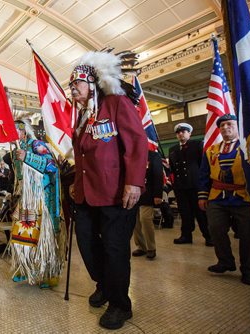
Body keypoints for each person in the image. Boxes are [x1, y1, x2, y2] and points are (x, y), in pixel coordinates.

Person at [69, 51, 148, 330]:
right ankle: (103, 284)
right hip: (86, 194)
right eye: (70, 85)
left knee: (115, 250)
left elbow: (137, 142)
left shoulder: (115, 103)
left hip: (117, 192)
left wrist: (134, 182)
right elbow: (83, 158)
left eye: (75, 83)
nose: (72, 89)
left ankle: (119, 304)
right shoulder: (80, 117)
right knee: (87, 244)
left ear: (91, 83)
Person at [198, 114, 250, 285]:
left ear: (237, 126)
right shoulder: (211, 150)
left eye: (229, 124)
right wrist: (202, 195)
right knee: (215, 229)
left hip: (244, 197)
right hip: (217, 197)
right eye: (222, 125)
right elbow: (203, 175)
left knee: (248, 235)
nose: (225, 127)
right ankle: (225, 261)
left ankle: (248, 270)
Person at [9, 120, 65, 288]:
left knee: (44, 236)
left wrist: (27, 157)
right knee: (24, 232)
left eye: (15, 131)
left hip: (43, 198)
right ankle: (26, 268)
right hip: (27, 199)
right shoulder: (17, 149)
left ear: (23, 131)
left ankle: (48, 274)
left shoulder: (36, 145)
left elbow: (52, 166)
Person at [169, 123, 212, 246]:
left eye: (183, 131)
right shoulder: (173, 149)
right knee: (185, 213)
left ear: (190, 133)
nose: (181, 134)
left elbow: (203, 166)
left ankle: (208, 236)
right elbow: (172, 169)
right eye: (178, 132)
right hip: (180, 187)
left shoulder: (197, 145)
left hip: (195, 185)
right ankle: (186, 235)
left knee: (201, 213)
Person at [132, 150, 163, 260]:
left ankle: (151, 248)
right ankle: (141, 246)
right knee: (135, 222)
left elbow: (158, 175)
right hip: (133, 193)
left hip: (147, 193)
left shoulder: (153, 155)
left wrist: (158, 194)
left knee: (145, 219)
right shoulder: (131, 153)